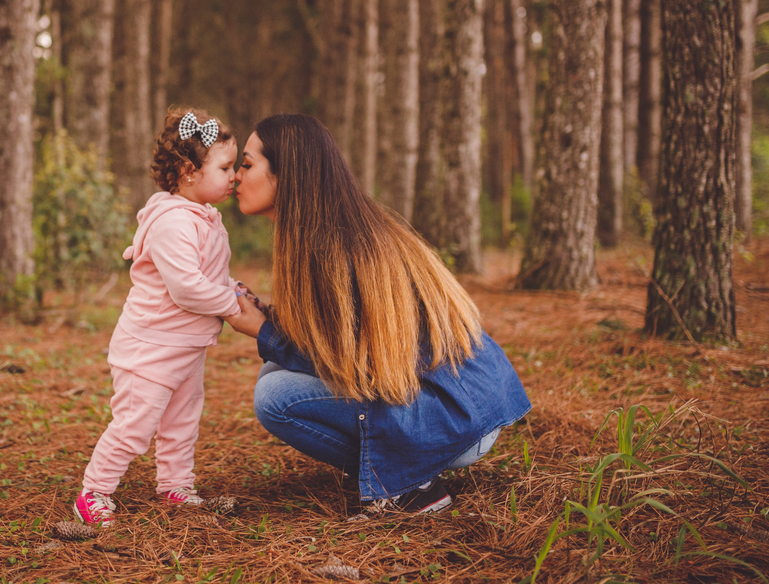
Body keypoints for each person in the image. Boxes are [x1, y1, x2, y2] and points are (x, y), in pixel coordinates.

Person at [225, 113, 531, 520]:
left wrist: (264, 332)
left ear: (287, 174)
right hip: (458, 402)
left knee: (274, 398)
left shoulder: (335, 250)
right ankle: (398, 469)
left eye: (247, 165)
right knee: (274, 370)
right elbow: (339, 339)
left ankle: (411, 488)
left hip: (454, 415)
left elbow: (356, 366)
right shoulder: (334, 231)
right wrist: (272, 319)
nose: (235, 176)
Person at [74, 107, 243, 526]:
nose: (235, 176)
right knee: (135, 424)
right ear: (189, 171)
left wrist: (234, 288)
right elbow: (187, 287)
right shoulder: (173, 223)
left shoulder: (204, 217)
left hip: (185, 345)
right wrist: (232, 304)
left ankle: (175, 485)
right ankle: (94, 492)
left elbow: (208, 275)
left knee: (182, 421)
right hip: (150, 347)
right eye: (225, 167)